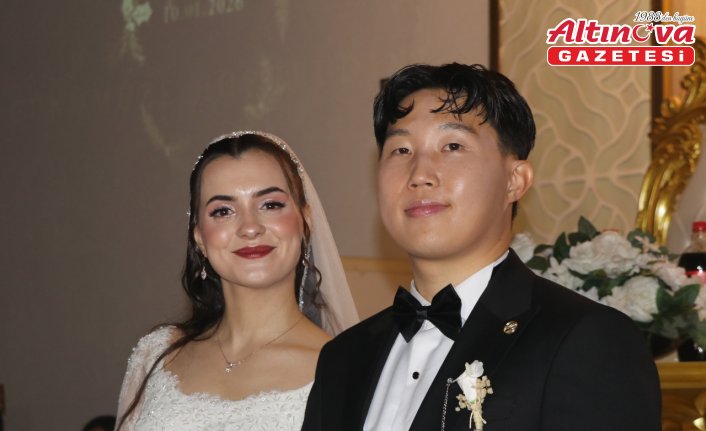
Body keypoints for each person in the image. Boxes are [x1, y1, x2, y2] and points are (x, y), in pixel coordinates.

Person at [302, 63, 661, 430]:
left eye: (452, 146)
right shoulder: (344, 358)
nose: (420, 174)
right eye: (401, 149)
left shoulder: (585, 339)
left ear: (515, 181)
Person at [115, 131, 358, 430]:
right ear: (200, 238)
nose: (250, 227)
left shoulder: (344, 371)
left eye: (270, 205)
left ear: (305, 221)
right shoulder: (154, 355)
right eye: (223, 211)